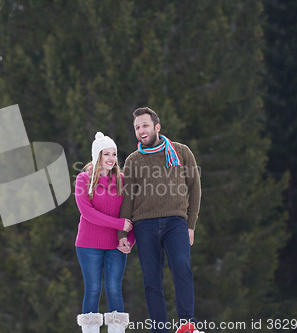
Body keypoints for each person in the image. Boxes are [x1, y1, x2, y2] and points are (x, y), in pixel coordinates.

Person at [117, 107, 203, 333]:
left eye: (145, 125)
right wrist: (122, 233)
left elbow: (194, 189)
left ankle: (187, 326)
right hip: (145, 225)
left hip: (176, 223)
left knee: (182, 269)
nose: (141, 131)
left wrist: (191, 225)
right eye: (137, 127)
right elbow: (128, 198)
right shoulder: (132, 161)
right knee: (152, 281)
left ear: (157, 127)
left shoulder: (181, 152)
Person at [75, 132, 135, 333]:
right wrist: (118, 225)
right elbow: (88, 213)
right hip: (88, 244)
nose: (111, 159)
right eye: (106, 154)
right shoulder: (83, 179)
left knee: (114, 289)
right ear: (97, 156)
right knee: (92, 290)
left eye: (114, 154)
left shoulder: (123, 181)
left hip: (115, 246)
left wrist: (129, 240)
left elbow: (131, 214)